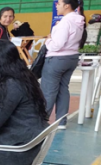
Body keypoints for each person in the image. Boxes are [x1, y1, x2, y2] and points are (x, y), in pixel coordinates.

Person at [42, 0, 86, 130]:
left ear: (67, 5)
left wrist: (48, 40)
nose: (57, 5)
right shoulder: (79, 20)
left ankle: (42, 121)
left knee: (48, 91)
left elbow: (57, 45)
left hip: (57, 59)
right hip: (71, 58)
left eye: (59, 3)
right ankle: (61, 121)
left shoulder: (66, 22)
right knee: (62, 89)